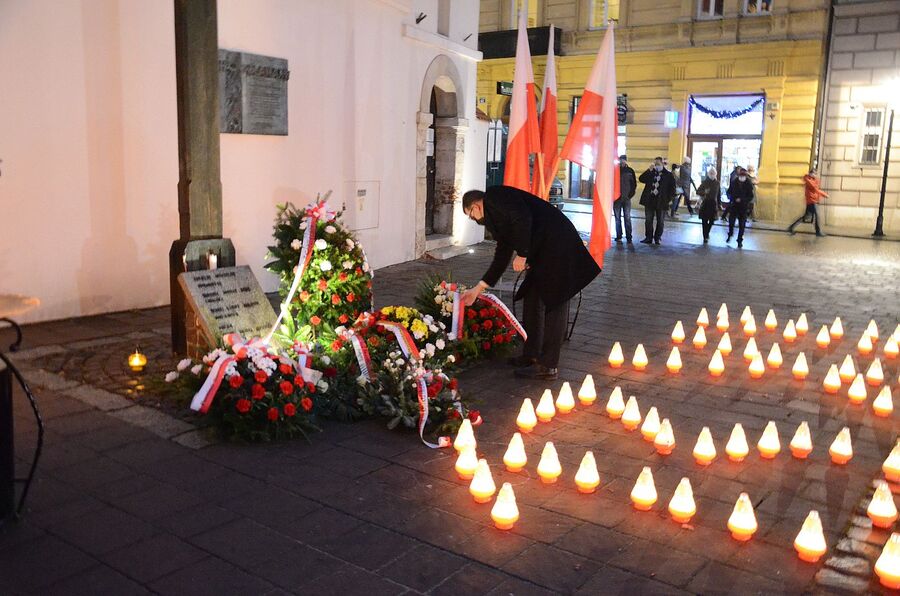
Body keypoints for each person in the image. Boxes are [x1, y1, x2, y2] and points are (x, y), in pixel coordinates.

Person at [461, 186, 601, 380]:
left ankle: (548, 365)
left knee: (556, 301)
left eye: (471, 215)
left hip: (557, 245)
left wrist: (523, 254)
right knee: (532, 297)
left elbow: (523, 217)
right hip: (544, 250)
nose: (474, 220)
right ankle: (531, 355)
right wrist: (478, 288)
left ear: (475, 206)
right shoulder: (497, 217)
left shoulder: (496, 196)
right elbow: (502, 254)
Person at [638, 157, 676, 245]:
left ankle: (657, 238)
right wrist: (649, 170)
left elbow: (672, 189)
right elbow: (641, 179)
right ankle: (648, 237)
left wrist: (669, 199)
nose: (656, 166)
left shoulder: (668, 175)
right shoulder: (651, 172)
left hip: (661, 201)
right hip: (649, 200)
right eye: (655, 164)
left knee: (660, 221)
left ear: (662, 164)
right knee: (648, 220)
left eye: (658, 164)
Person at [788, 169, 828, 237]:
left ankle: (791, 227)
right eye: (813, 173)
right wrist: (824, 194)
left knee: (806, 217)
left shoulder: (813, 179)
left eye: (815, 173)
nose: (815, 175)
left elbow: (815, 189)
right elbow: (815, 188)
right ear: (810, 173)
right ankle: (818, 232)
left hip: (813, 200)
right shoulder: (809, 180)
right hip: (812, 201)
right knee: (817, 215)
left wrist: (821, 194)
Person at [726, 167, 754, 247]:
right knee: (731, 222)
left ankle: (739, 240)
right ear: (738, 175)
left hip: (743, 207)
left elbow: (750, 196)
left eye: (743, 176)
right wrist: (732, 198)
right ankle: (730, 233)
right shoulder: (734, 182)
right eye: (740, 176)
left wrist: (742, 200)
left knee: (742, 225)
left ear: (746, 176)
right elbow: (729, 192)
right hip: (734, 205)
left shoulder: (748, 183)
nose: (742, 177)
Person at [614, 155, 637, 243]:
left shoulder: (630, 171)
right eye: (621, 160)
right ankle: (619, 235)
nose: (622, 161)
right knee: (617, 218)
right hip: (616, 199)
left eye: (624, 160)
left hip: (627, 198)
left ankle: (629, 237)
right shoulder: (615, 171)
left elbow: (634, 184)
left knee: (627, 217)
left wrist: (630, 195)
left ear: (626, 161)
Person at [697, 166, 720, 243]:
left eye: (713, 173)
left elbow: (718, 194)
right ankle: (705, 236)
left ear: (715, 174)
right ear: (708, 174)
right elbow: (698, 191)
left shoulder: (717, 183)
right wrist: (704, 192)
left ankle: (707, 232)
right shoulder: (705, 182)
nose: (712, 174)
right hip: (706, 204)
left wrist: (719, 204)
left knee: (712, 220)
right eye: (711, 173)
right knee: (704, 220)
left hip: (713, 204)